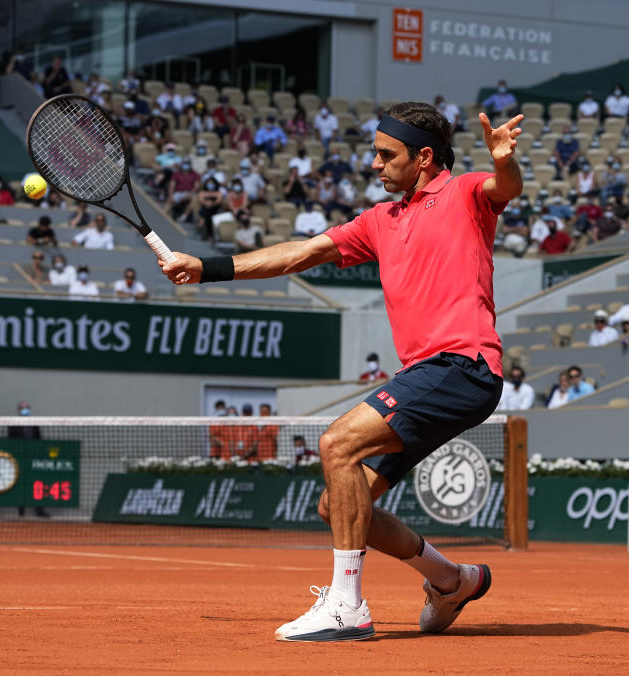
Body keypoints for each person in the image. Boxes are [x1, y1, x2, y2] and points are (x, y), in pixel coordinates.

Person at [160, 101, 521, 642]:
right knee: (340, 504)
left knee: (337, 445)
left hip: (463, 365)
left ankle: (346, 607)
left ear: (424, 158)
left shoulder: (466, 193)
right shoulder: (380, 221)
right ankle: (452, 580)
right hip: (426, 373)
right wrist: (207, 268)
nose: (374, 164)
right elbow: (297, 255)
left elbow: (505, 189)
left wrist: (504, 161)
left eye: (385, 154)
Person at [7, 402, 49, 517]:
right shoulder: (13, 425)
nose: (24, 410)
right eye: (22, 408)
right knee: (20, 484)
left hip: (32, 459)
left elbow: (39, 439)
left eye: (26, 408)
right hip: (19, 459)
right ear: (18, 410)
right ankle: (21, 511)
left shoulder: (34, 424)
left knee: (36, 484)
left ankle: (39, 511)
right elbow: (10, 441)